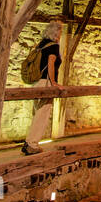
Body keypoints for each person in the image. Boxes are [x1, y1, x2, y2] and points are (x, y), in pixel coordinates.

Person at [21, 20, 63, 154]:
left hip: (36, 82)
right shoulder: (54, 46)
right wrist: (54, 82)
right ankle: (32, 144)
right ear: (56, 32)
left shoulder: (41, 44)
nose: (61, 34)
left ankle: (29, 141)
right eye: (60, 31)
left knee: (37, 112)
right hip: (45, 82)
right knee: (42, 113)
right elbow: (51, 64)